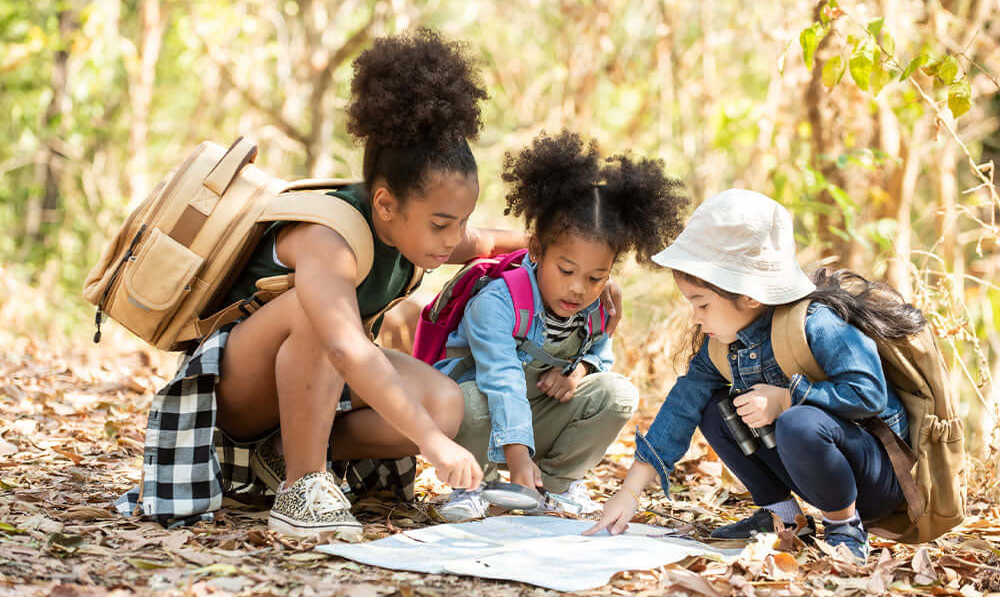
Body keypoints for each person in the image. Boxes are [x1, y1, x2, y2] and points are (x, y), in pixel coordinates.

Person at [116, 30, 521, 541]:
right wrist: (432, 445)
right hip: (237, 393)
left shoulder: (415, 231)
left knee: (444, 405)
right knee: (318, 316)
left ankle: (280, 455)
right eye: (441, 224)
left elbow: (485, 242)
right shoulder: (327, 238)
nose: (452, 237)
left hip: (314, 383)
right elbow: (346, 347)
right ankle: (301, 487)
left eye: (459, 222)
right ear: (385, 203)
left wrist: (560, 255)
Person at [584, 189, 918, 562]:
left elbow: (868, 394)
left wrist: (789, 398)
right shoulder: (723, 345)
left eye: (702, 304)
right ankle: (784, 518)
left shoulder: (817, 324)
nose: (696, 317)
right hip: (812, 470)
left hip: (874, 479)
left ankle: (844, 527)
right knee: (711, 406)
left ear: (750, 295)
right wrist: (630, 490)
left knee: (798, 422)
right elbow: (682, 405)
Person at [435, 131, 687, 521]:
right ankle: (475, 485)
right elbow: (502, 381)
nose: (578, 288)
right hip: (481, 415)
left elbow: (599, 355)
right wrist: (517, 458)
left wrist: (577, 374)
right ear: (537, 250)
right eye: (566, 270)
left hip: (538, 414)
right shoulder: (498, 303)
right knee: (464, 401)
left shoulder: (598, 305)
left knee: (617, 393)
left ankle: (550, 488)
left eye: (595, 277)